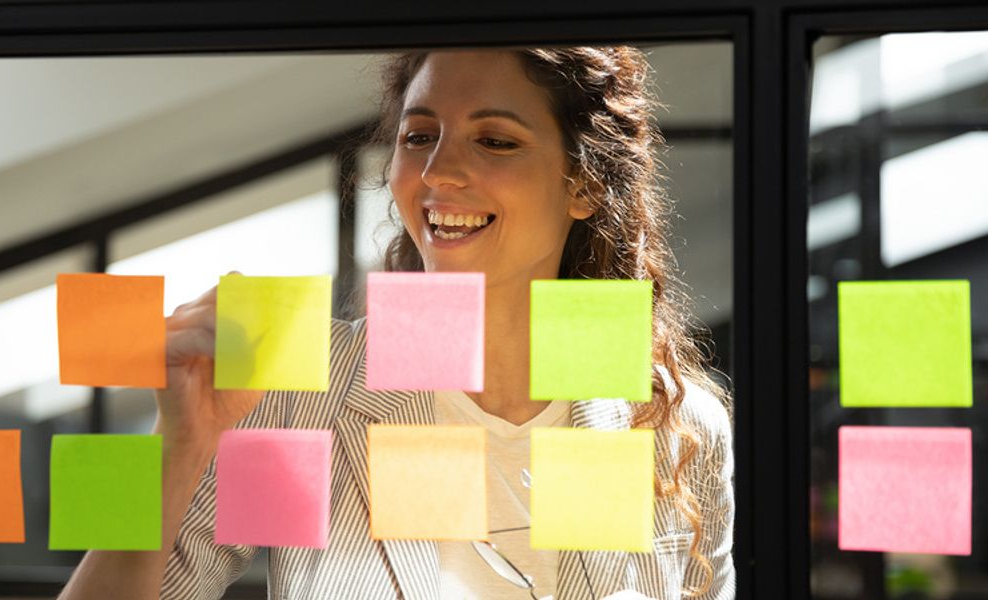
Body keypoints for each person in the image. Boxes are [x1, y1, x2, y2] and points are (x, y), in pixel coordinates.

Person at [59, 47, 735, 600]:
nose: (439, 172)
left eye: (495, 141)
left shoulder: (677, 427)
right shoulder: (303, 391)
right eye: (419, 137)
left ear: (584, 186)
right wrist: (173, 450)